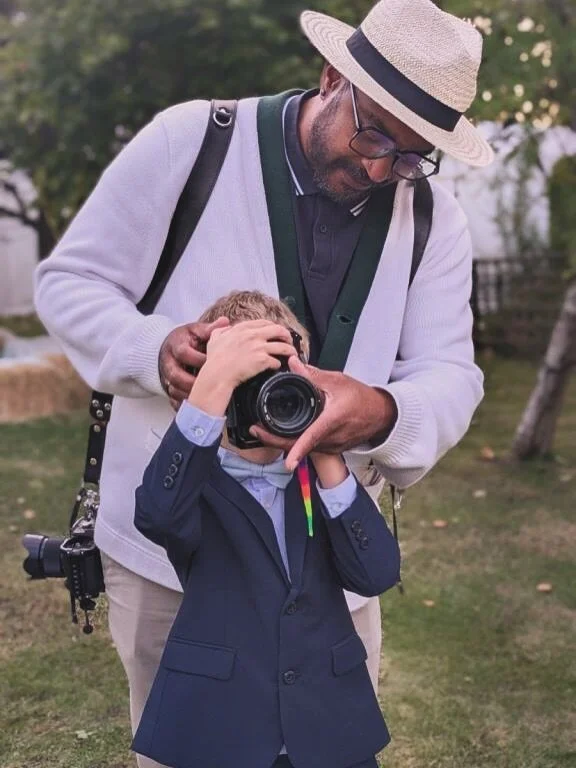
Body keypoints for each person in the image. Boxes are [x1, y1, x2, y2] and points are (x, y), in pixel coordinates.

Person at [34, 1, 492, 766]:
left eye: (412, 155)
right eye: (373, 133)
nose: (382, 168)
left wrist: (379, 411)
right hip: (171, 561)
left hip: (330, 570)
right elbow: (69, 282)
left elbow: (452, 371)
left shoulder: (436, 219)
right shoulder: (192, 141)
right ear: (330, 78)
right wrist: (160, 350)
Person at [131, 289, 401, 768]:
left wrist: (325, 449)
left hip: (328, 726)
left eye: (279, 386)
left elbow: (376, 573)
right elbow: (157, 514)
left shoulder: (321, 480)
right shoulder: (194, 483)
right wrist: (209, 391)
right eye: (245, 387)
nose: (264, 403)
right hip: (223, 730)